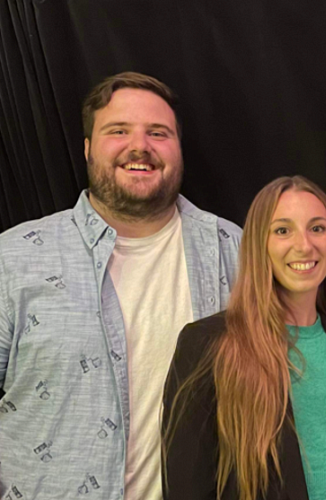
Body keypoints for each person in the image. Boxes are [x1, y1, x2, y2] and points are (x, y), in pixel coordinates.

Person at [0, 71, 241, 500]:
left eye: (158, 133)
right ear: (88, 148)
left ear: (179, 149)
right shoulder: (14, 258)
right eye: (118, 131)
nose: (140, 146)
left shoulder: (237, 252)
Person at [162, 175, 326, 500]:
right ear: (258, 243)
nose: (304, 245)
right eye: (283, 230)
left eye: (317, 228)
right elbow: (186, 488)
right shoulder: (207, 346)